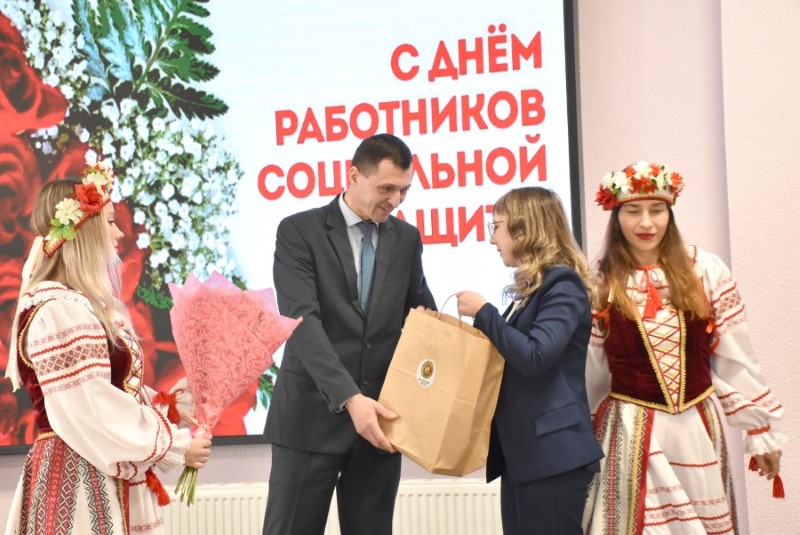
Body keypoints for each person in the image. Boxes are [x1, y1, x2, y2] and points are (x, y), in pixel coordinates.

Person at [4, 155, 212, 535]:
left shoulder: (82, 306)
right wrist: (175, 446)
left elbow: (110, 393)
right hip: (79, 479)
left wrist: (173, 405)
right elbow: (93, 408)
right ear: (83, 232)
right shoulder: (58, 311)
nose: (118, 236)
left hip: (101, 467)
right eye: (110, 223)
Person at [583, 161, 785, 534]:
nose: (646, 222)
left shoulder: (704, 271)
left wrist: (760, 431)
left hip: (695, 430)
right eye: (633, 211)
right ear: (617, 216)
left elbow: (735, 357)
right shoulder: (601, 284)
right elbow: (593, 373)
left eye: (656, 210)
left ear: (670, 214)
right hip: (630, 430)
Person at [263, 133, 436, 535]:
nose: (396, 201)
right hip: (310, 420)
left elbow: (419, 315)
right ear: (354, 175)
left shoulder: (406, 239)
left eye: (404, 191)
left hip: (380, 425)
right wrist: (350, 399)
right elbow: (302, 322)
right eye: (386, 188)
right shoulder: (298, 231)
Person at [455, 187, 604, 535]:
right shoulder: (534, 289)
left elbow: (536, 356)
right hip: (526, 456)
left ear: (524, 229)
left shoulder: (563, 284)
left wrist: (484, 312)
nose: (492, 239)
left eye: (496, 227)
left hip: (553, 456)